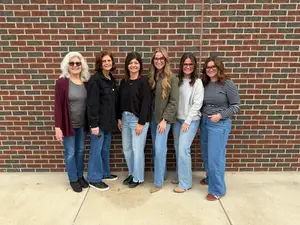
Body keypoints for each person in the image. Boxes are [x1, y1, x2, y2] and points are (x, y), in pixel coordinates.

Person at [200, 56, 240, 201]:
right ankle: (211, 178)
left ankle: (217, 189)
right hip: (204, 123)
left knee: (215, 157)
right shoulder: (205, 84)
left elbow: (236, 106)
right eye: (208, 67)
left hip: (219, 124)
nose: (210, 69)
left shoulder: (227, 84)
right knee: (206, 154)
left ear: (219, 68)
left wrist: (220, 115)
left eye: (213, 67)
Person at [54, 52, 90, 193]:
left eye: (78, 63)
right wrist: (58, 127)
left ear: (82, 66)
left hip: (82, 125)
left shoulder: (85, 83)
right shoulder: (62, 82)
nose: (75, 66)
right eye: (72, 63)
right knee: (70, 152)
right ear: (67, 66)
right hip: (68, 125)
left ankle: (80, 176)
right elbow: (58, 106)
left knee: (80, 151)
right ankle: (73, 179)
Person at [118, 52, 151, 188]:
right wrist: (119, 117)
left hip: (138, 120)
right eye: (131, 63)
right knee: (127, 149)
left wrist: (141, 123)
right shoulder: (124, 82)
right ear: (127, 65)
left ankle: (138, 178)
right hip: (125, 119)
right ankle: (132, 173)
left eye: (136, 63)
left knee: (137, 150)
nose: (133, 65)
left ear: (140, 65)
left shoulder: (143, 82)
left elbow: (146, 104)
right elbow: (120, 101)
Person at [148, 47, 179, 193]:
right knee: (155, 148)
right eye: (156, 59)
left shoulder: (172, 78)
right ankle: (163, 173)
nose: (158, 61)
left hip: (163, 120)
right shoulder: (152, 76)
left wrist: (165, 120)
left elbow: (174, 101)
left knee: (160, 149)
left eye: (161, 58)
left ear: (165, 60)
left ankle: (158, 182)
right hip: (152, 117)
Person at [86, 51, 119, 191]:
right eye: (104, 61)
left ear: (112, 63)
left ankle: (104, 173)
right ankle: (94, 178)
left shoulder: (111, 79)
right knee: (96, 150)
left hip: (108, 123)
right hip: (98, 124)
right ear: (100, 63)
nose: (107, 63)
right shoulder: (95, 80)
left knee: (105, 150)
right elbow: (92, 103)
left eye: (109, 60)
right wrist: (93, 124)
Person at [172, 52, 204, 193]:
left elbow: (197, 104)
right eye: (185, 64)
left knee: (184, 149)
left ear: (194, 65)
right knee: (178, 148)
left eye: (190, 64)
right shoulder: (177, 80)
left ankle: (185, 183)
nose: (188, 66)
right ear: (181, 65)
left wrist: (188, 121)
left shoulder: (197, 82)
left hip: (190, 120)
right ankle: (181, 176)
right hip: (177, 120)